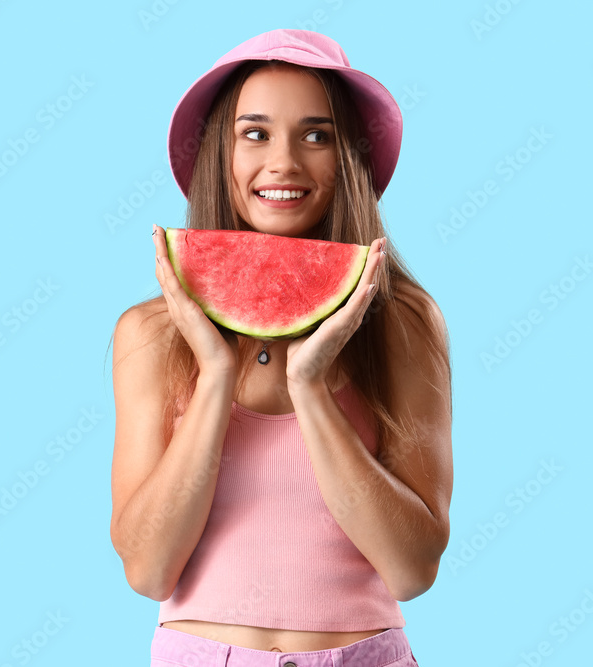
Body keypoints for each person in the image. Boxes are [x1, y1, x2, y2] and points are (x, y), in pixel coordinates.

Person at [108, 29, 453, 666]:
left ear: (348, 157)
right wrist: (214, 372)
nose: (284, 163)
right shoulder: (150, 335)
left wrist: (311, 388)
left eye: (316, 135)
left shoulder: (403, 323)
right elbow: (148, 571)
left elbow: (412, 570)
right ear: (219, 152)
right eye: (255, 133)